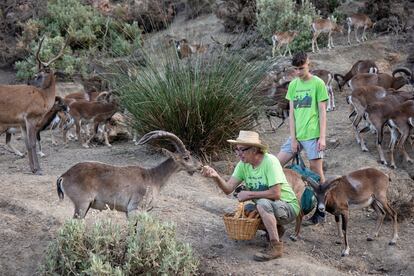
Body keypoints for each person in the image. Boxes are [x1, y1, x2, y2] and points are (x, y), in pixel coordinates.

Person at [201, 130, 300, 262]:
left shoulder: (270, 161)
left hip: (288, 207)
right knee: (247, 210)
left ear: (254, 149)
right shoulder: (243, 165)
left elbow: (276, 193)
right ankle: (276, 228)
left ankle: (276, 246)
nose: (238, 154)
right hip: (272, 206)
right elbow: (228, 189)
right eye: (237, 150)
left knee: (262, 204)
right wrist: (215, 176)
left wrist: (249, 194)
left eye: (242, 150)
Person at [276, 51, 328, 225]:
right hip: (296, 135)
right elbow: (291, 113)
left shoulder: (318, 84)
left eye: (301, 68)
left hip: (313, 136)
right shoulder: (293, 85)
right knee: (276, 164)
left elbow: (322, 112)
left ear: (308, 64)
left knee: (317, 175)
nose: (299, 72)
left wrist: (322, 137)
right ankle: (283, 202)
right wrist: (293, 139)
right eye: (296, 69)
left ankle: (321, 210)